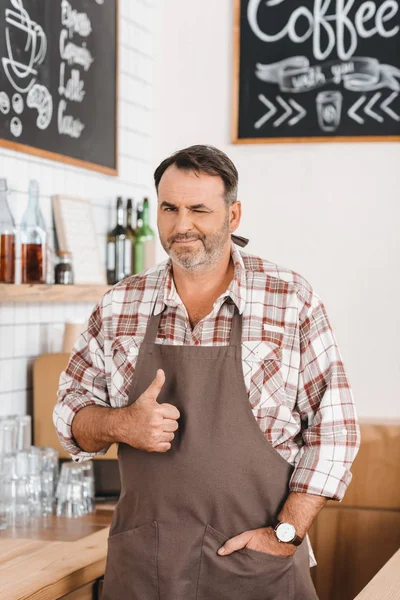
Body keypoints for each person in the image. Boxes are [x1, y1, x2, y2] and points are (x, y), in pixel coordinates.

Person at [54, 144, 360, 600]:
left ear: (233, 215)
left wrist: (285, 536)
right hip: (144, 570)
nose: (182, 226)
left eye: (199, 209)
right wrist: (121, 424)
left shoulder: (289, 299)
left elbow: (335, 431)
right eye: (169, 208)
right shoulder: (120, 305)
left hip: (257, 570)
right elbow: (69, 415)